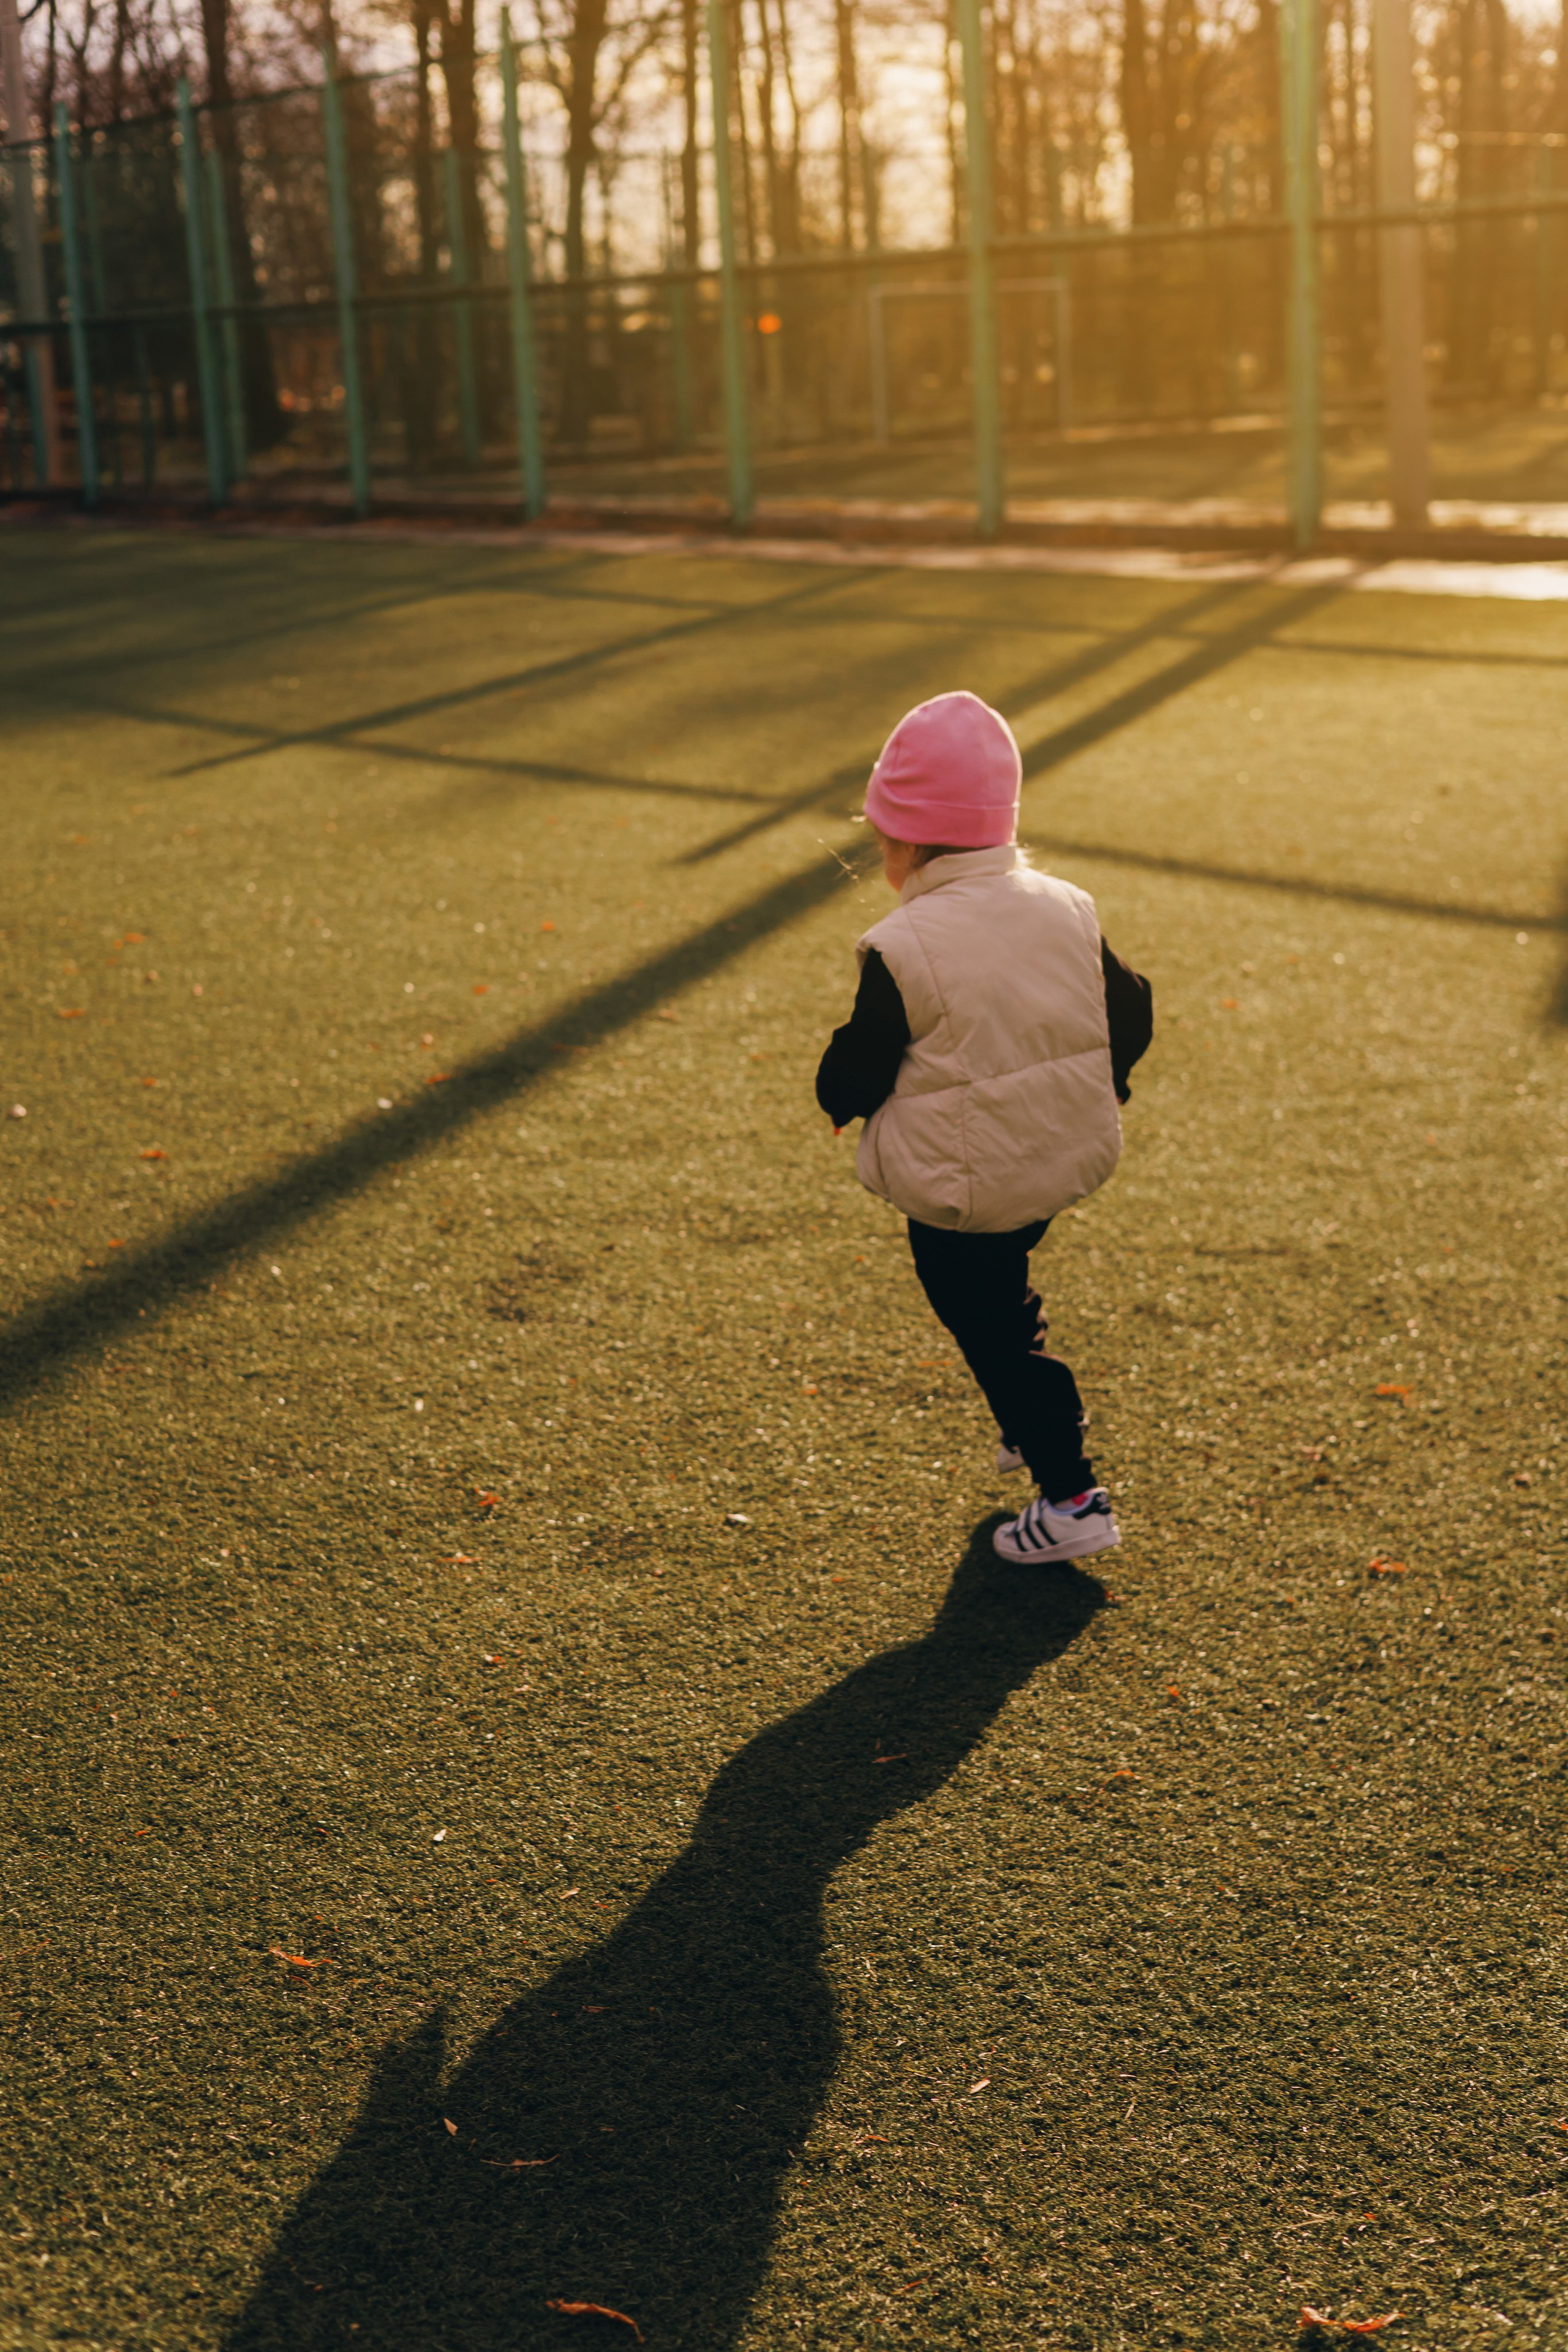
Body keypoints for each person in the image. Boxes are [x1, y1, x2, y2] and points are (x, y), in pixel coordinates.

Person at [815, 690, 1152, 1566]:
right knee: (1002, 1291)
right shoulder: (1067, 904)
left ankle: (1072, 1494)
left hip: (965, 1187)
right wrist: (1105, 1084)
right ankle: (1030, 1420)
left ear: (907, 842)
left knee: (986, 1323)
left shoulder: (906, 942)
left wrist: (835, 1093)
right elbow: (1136, 1006)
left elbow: (862, 1063)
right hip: (1055, 1152)